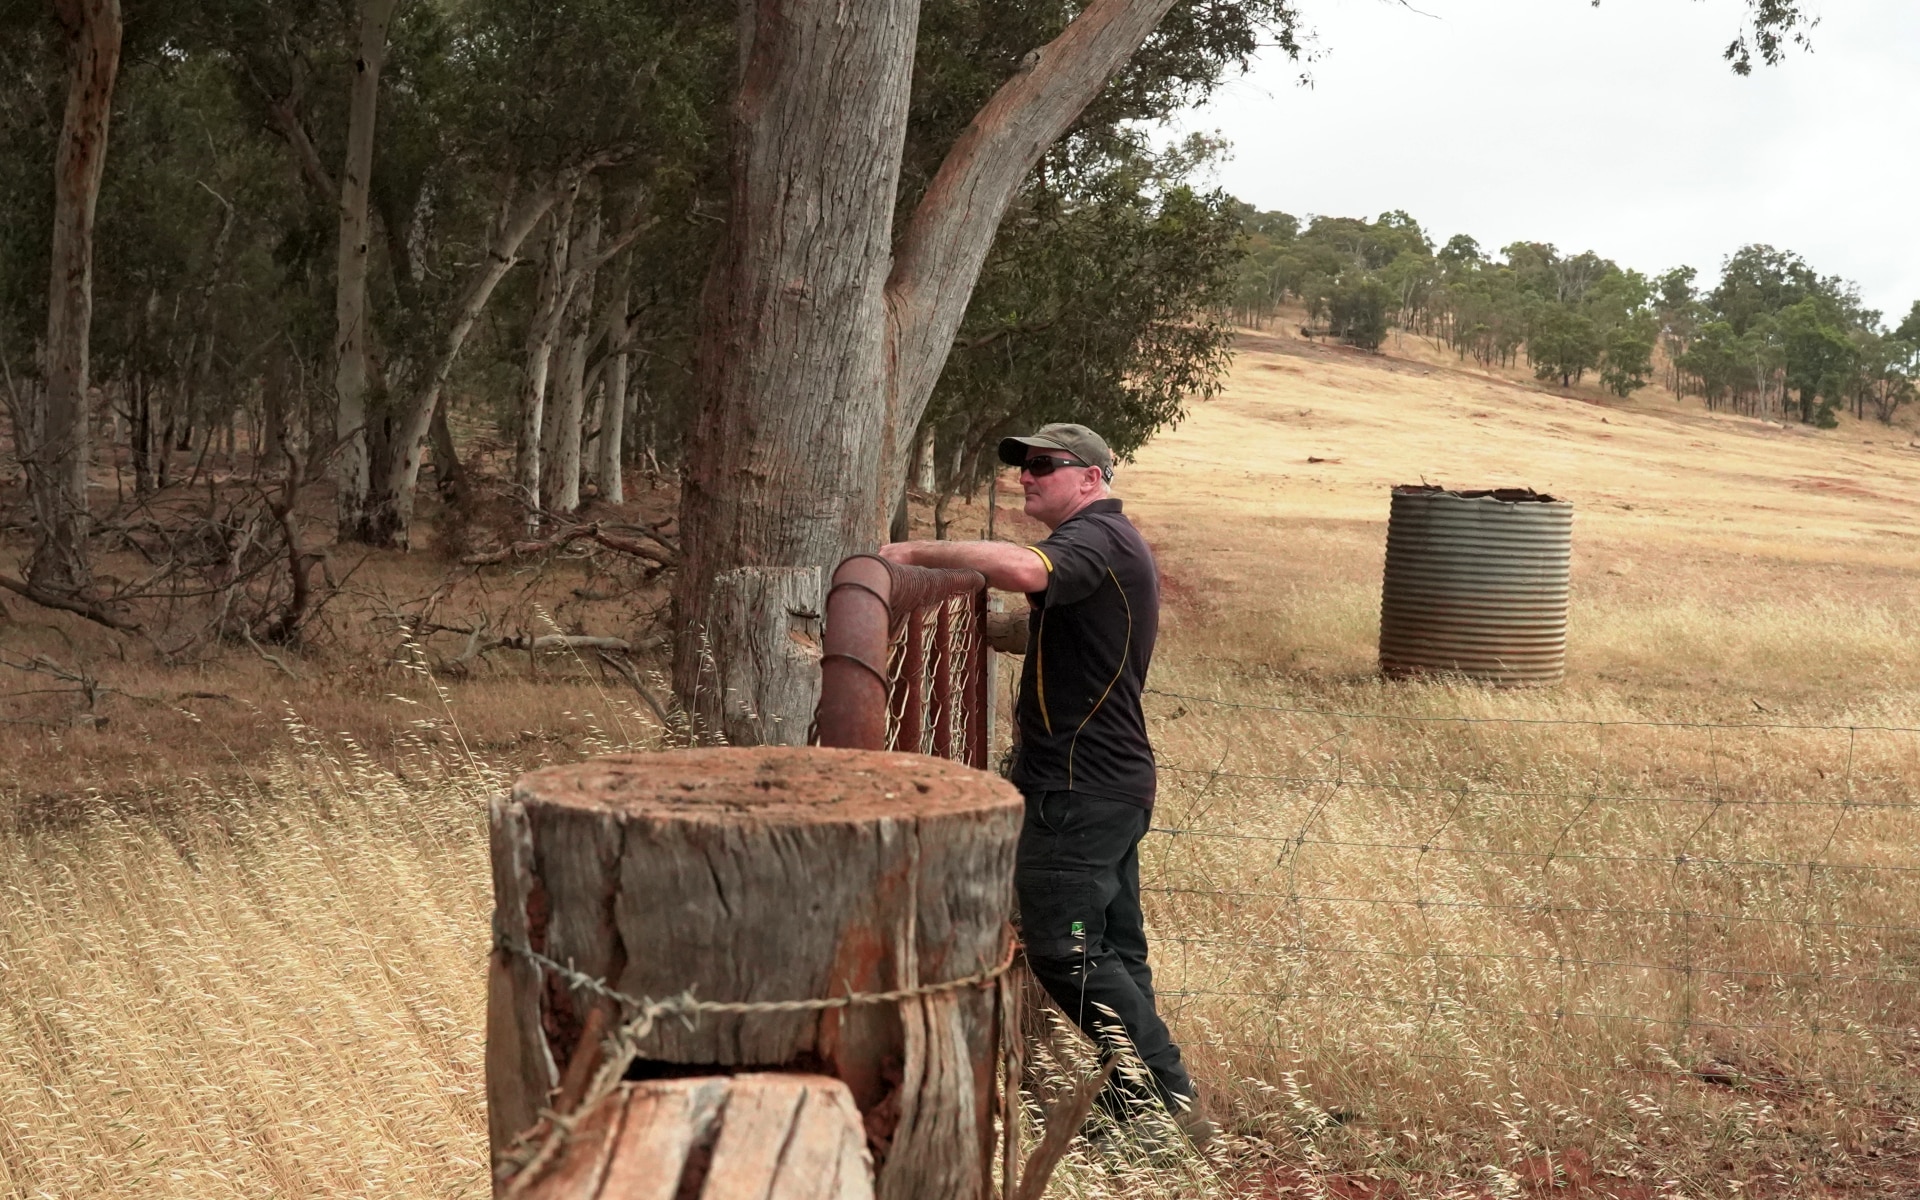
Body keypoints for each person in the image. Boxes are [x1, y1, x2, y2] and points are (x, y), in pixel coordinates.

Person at [879, 422, 1212, 1147]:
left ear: (1090, 477)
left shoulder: (1094, 539)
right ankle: (1139, 1100)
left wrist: (907, 555)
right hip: (1102, 781)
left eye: (1045, 466)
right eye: (1023, 467)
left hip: (1078, 786)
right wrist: (1004, 632)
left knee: (1065, 950)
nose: (1027, 477)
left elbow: (1027, 571)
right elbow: (1067, 624)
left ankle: (1164, 1097)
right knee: (1113, 949)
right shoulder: (1106, 546)